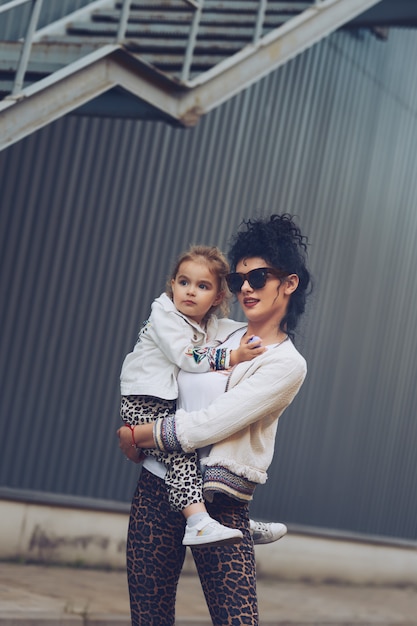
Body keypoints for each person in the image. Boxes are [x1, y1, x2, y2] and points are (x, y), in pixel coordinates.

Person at [118, 214, 311, 626]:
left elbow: (209, 424)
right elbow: (156, 363)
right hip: (158, 486)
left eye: (258, 277)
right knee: (148, 619)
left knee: (238, 621)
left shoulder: (286, 364)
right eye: (240, 278)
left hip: (220, 504)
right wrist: (139, 430)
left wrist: (138, 434)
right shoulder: (213, 330)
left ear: (289, 283)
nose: (246, 287)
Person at [120, 244, 285, 547]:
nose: (190, 292)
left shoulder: (207, 324)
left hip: (164, 401)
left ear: (218, 297)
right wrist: (233, 356)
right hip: (143, 400)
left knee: (193, 459)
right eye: (183, 282)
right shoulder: (164, 315)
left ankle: (232, 524)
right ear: (172, 285)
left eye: (202, 286)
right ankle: (197, 522)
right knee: (181, 457)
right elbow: (188, 357)